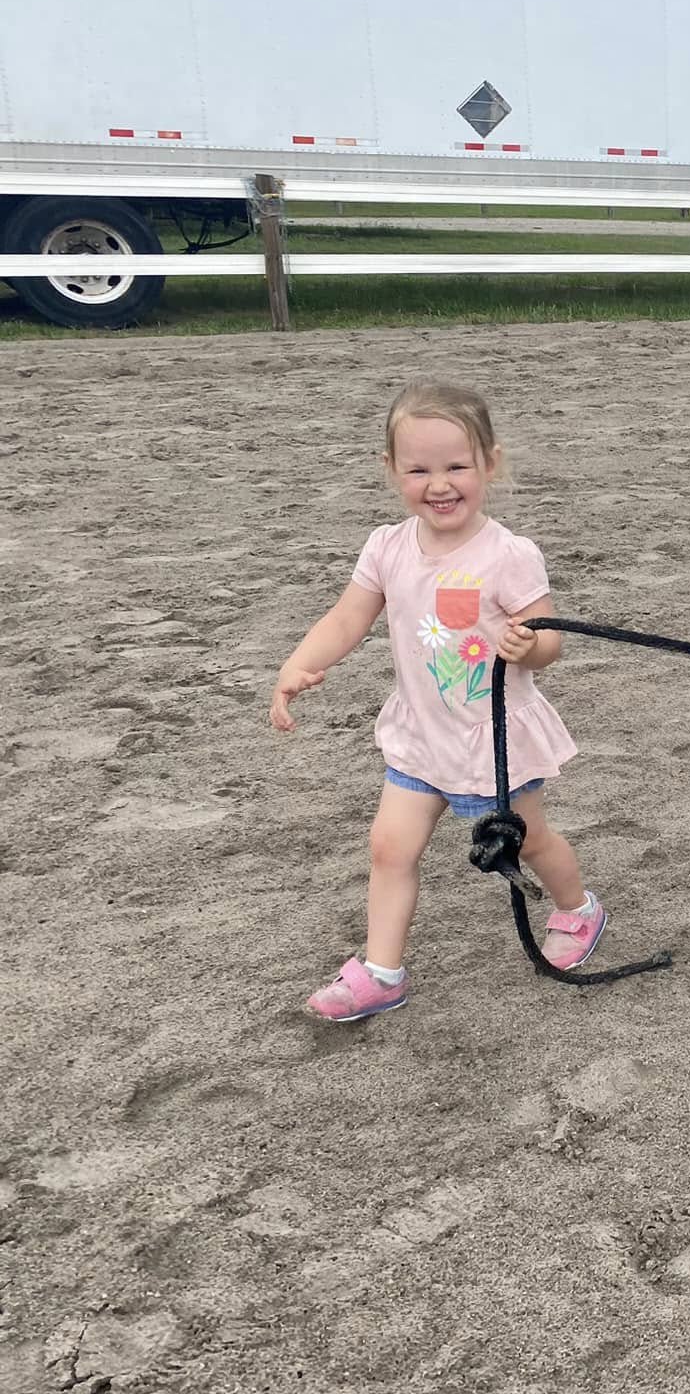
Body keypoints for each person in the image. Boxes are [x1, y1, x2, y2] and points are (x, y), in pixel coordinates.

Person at [270, 379, 606, 1020]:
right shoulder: (387, 548)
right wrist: (300, 664)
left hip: (491, 736)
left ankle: (578, 910)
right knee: (389, 848)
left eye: (457, 466)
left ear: (490, 463)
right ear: (391, 470)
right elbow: (346, 620)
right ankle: (381, 973)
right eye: (418, 468)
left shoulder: (508, 555)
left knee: (531, 842)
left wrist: (525, 647)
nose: (440, 483)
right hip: (420, 736)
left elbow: (550, 640)